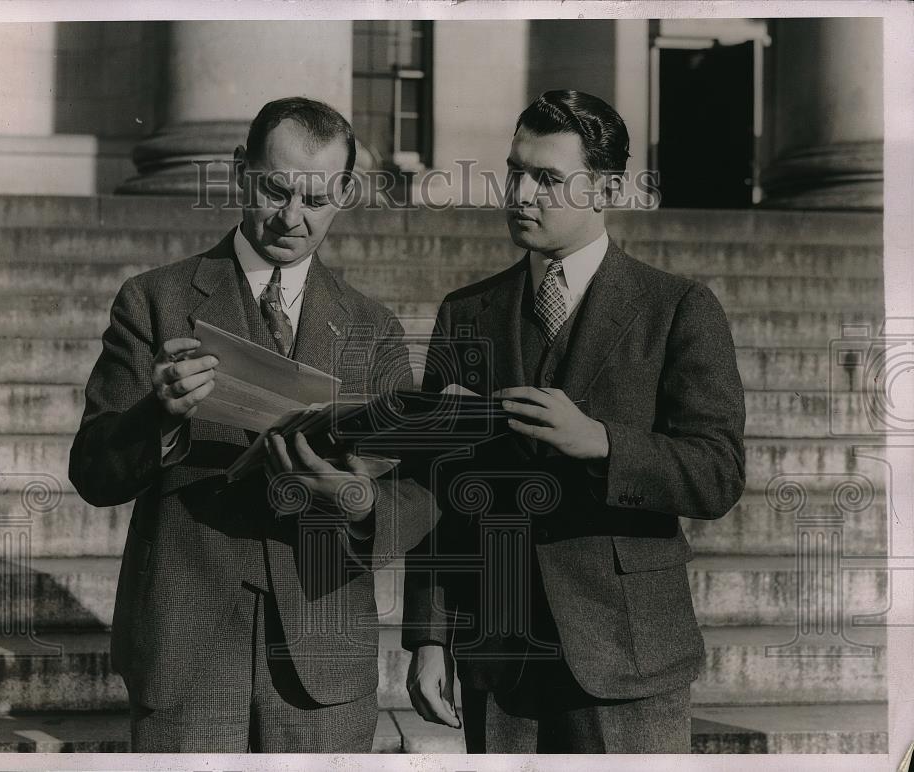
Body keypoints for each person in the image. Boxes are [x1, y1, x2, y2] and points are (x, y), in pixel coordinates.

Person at [70, 97, 438, 753]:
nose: (292, 219)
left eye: (318, 199)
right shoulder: (155, 301)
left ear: (346, 193)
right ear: (242, 171)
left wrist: (355, 498)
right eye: (275, 189)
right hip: (185, 644)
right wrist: (161, 414)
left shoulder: (371, 325)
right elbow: (94, 473)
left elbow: (417, 490)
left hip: (323, 651)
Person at [402, 90, 746, 753]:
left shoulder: (677, 308)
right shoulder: (466, 313)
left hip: (630, 656)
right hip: (499, 654)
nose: (519, 194)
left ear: (607, 188)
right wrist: (427, 638)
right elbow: (436, 488)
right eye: (515, 171)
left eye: (548, 180)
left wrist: (602, 444)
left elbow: (719, 473)